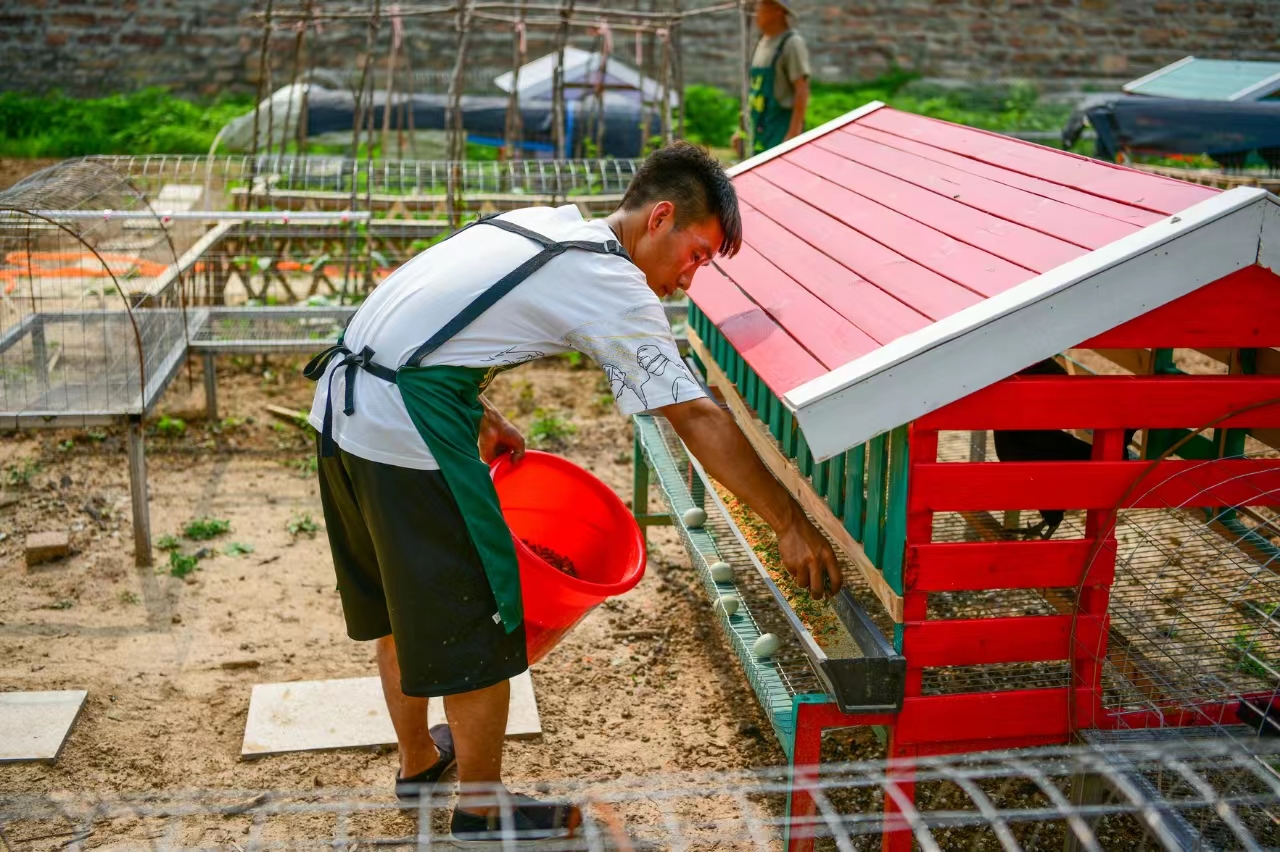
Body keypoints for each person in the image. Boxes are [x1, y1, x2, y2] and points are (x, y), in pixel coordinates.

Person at [305, 143, 841, 847]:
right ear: (659, 218)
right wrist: (789, 522)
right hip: (405, 431)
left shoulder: (545, 226)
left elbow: (435, 327)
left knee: (396, 604)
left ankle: (420, 761)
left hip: (342, 411)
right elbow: (697, 414)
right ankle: (483, 811)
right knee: (479, 617)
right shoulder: (609, 280)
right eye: (698, 254)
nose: (690, 277)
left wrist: (480, 417)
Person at [746, 0, 812, 155]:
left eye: (762, 7)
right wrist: (741, 130)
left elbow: (801, 90)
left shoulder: (791, 43)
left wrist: (793, 135)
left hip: (780, 129)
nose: (757, 12)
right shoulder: (762, 42)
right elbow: (753, 91)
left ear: (778, 11)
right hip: (760, 126)